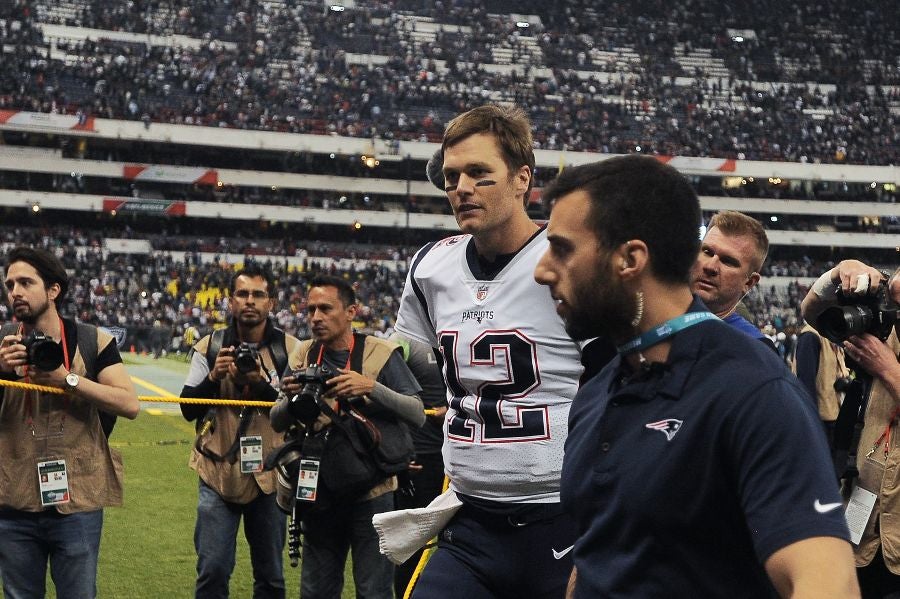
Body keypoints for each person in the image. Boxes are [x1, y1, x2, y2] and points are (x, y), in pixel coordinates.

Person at [533, 155, 858, 597]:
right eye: (707, 251)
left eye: (563, 248)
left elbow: (827, 584)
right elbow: (598, 552)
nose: (542, 269)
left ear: (630, 258)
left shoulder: (755, 391)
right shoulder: (599, 390)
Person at [393, 104, 613, 599]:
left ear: (521, 178)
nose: (461, 188)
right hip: (470, 518)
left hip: (560, 519)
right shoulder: (431, 267)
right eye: (451, 177)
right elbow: (436, 371)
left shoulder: (569, 262)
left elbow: (616, 387)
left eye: (478, 173)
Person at [270, 274, 424, 599]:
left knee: (374, 590)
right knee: (316, 590)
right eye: (310, 309)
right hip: (320, 487)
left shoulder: (379, 353)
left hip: (373, 488)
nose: (315, 317)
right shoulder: (303, 355)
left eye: (325, 308)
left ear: (351, 311)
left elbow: (417, 413)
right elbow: (276, 419)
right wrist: (290, 399)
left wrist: (371, 388)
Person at [0, 246, 140, 598]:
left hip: (77, 498)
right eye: (9, 284)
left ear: (53, 290)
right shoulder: (1, 343)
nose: (15, 291)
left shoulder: (93, 340)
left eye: (25, 282)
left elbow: (129, 404)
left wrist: (68, 380)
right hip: (13, 499)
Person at [180, 263, 303, 599]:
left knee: (271, 576)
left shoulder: (291, 350)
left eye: (258, 295)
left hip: (269, 473)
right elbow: (187, 409)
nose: (250, 301)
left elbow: (298, 414)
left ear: (272, 303)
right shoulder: (210, 346)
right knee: (213, 570)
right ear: (230, 302)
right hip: (216, 471)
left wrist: (261, 385)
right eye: (243, 294)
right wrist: (214, 377)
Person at [801, 261, 900, 598]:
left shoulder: (882, 351)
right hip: (862, 522)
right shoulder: (885, 325)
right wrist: (837, 273)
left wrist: (888, 369)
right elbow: (812, 312)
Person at [388, 333, 448, 598]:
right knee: (412, 547)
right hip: (418, 461)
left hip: (459, 460)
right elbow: (383, 384)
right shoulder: (404, 339)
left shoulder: (461, 331)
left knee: (458, 544)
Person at [691, 210, 775, 349]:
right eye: (707, 252)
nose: (710, 266)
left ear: (749, 282)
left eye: (727, 261)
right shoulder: (653, 318)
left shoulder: (754, 349)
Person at [792, 322, 850, 441]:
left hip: (834, 414)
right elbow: (805, 383)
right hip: (821, 421)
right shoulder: (810, 336)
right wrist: (812, 424)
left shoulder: (830, 334)